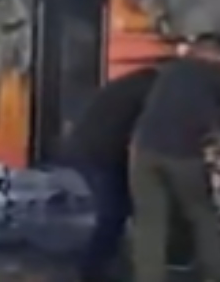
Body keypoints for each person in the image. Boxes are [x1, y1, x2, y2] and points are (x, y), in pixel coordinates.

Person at [128, 37, 220, 282]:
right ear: (217, 53)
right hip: (183, 154)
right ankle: (215, 275)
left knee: (150, 221)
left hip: (143, 151)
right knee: (202, 215)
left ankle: (148, 277)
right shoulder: (219, 77)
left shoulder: (172, 70)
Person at [60, 67, 160, 282]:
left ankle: (111, 262)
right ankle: (91, 270)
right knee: (113, 213)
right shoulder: (155, 91)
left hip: (91, 145)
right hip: (99, 152)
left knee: (121, 208)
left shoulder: (141, 81)